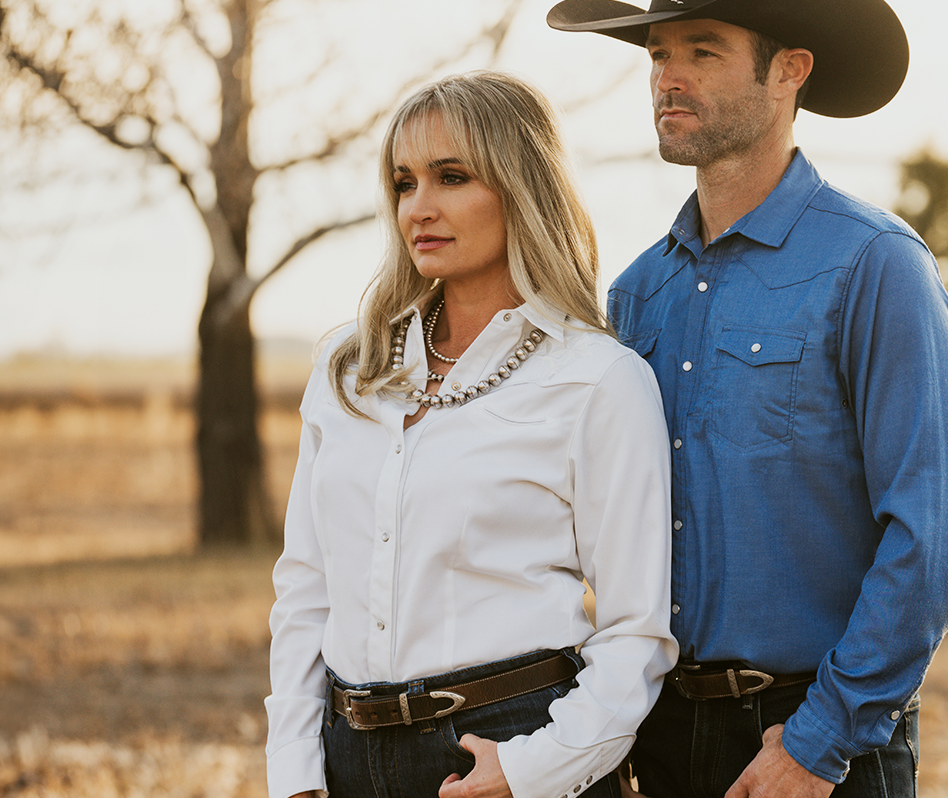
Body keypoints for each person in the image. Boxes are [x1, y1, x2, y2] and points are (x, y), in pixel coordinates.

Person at [545, 0, 948, 797]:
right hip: (663, 733)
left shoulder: (875, 265)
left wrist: (821, 741)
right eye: (657, 55)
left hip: (813, 733)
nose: (667, 79)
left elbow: (931, 537)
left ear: (790, 70)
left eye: (702, 52)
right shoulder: (639, 293)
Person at [264, 70, 678, 798]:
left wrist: (528, 772)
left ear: (521, 185)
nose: (419, 207)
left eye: (451, 177)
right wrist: (294, 768)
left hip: (508, 746)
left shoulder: (597, 380)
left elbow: (636, 635)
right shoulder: (347, 368)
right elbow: (306, 590)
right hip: (347, 753)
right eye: (403, 182)